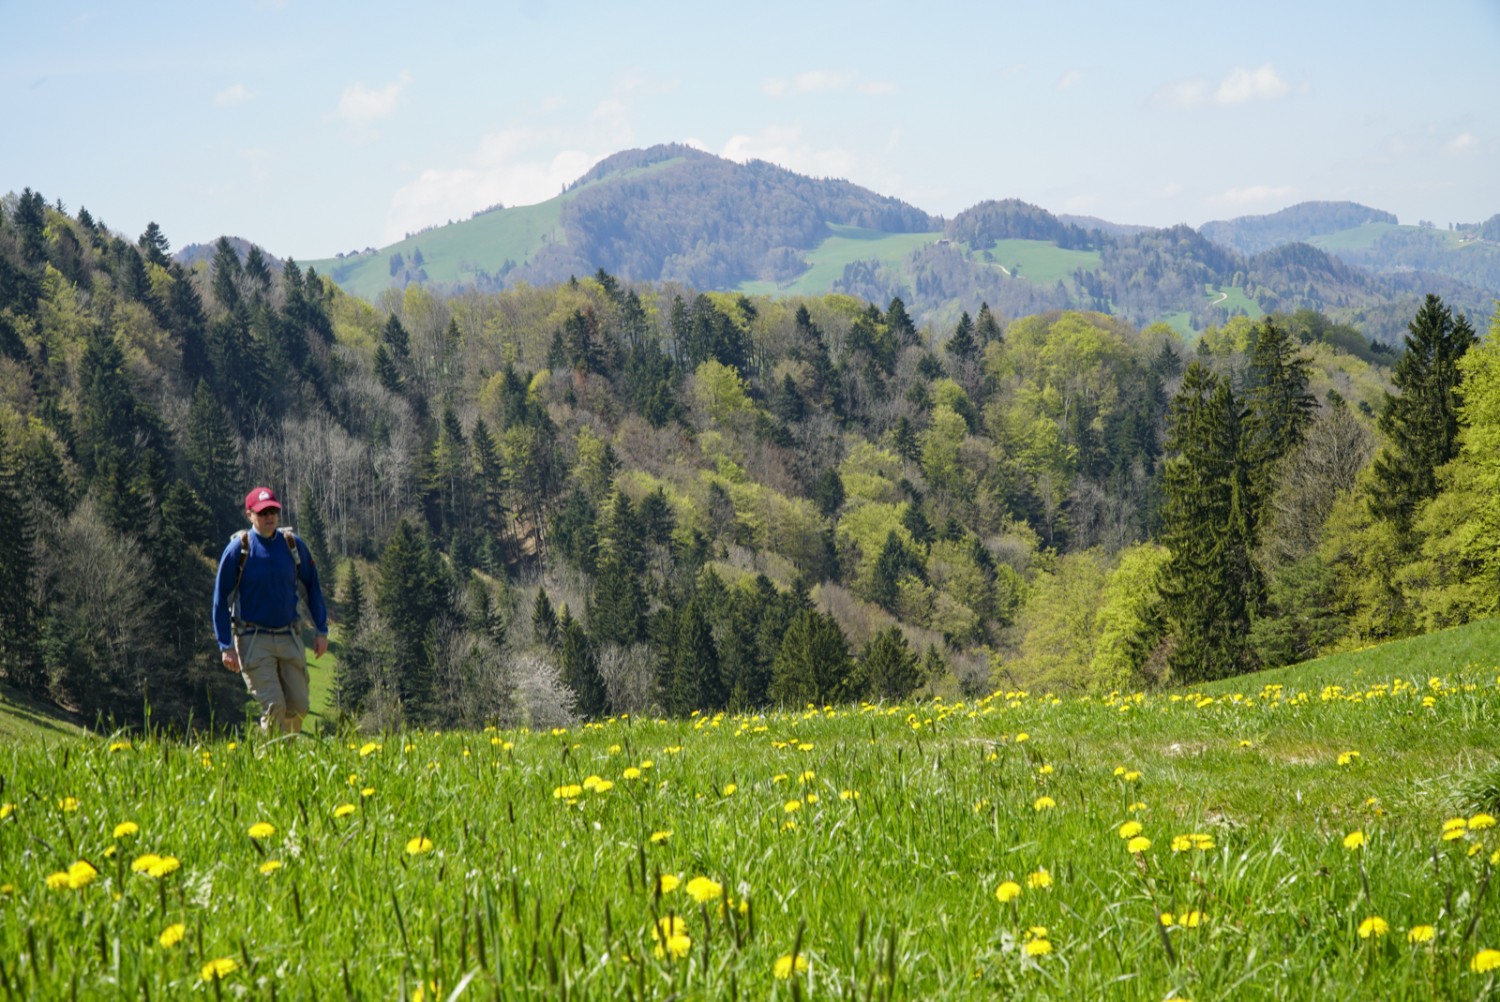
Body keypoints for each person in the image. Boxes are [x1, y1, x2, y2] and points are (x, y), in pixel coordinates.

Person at [211, 487, 329, 733]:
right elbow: (220, 599)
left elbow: (312, 585)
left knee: (299, 706)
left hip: (289, 636)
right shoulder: (238, 550)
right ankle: (272, 761)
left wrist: (321, 630)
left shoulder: (292, 545)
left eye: (273, 511)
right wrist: (226, 646)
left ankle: (283, 762)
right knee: (274, 705)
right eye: (263, 512)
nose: (270, 517)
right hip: (253, 640)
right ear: (249, 514)